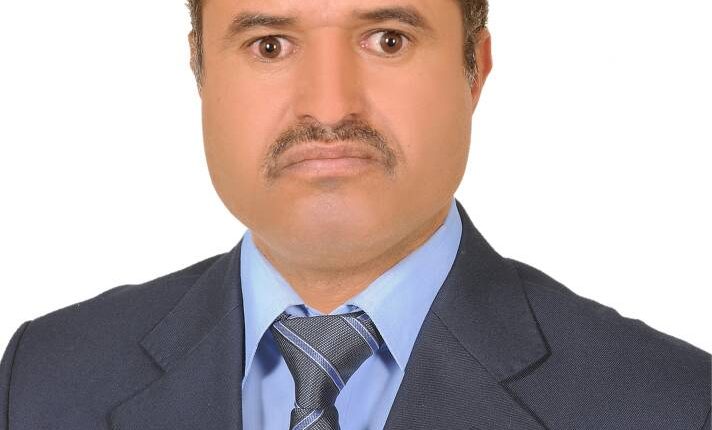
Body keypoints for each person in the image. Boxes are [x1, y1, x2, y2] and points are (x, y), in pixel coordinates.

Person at [1, 0, 709, 428]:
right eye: (270, 45)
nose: (330, 106)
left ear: (475, 69)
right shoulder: (43, 378)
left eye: (388, 38)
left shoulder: (672, 406)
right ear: (200, 72)